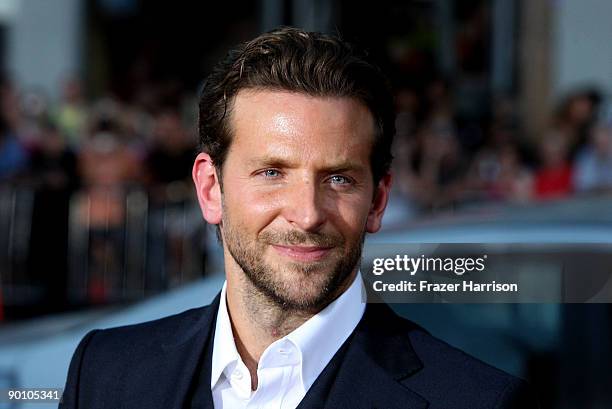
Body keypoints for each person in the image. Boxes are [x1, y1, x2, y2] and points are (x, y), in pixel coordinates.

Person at [60, 27, 538, 409]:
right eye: (272, 173)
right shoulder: (105, 372)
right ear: (210, 189)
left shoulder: (476, 400)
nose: (307, 214)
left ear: (377, 200)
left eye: (339, 179)